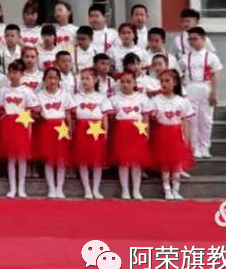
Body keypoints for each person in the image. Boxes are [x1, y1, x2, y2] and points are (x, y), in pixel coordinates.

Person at [150, 70, 195, 200]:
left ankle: (176, 189)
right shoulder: (156, 100)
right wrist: (155, 119)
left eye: (167, 81)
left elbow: (185, 121)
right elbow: (151, 118)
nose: (164, 84)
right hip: (162, 133)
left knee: (176, 165)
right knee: (165, 164)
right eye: (162, 81)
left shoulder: (182, 102)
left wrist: (187, 138)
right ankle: (167, 189)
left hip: (176, 134)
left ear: (174, 83)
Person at [0, 59, 39, 199]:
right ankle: (12, 188)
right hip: (8, 123)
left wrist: (26, 121)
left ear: (22, 74)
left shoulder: (26, 91)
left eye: (16, 72)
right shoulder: (3, 90)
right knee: (11, 158)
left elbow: (31, 107)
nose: (13, 75)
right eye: (11, 72)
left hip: (22, 123)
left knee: (22, 157)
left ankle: (21, 188)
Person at [110, 71, 153, 200]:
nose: (125, 84)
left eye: (128, 82)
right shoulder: (114, 99)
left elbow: (145, 117)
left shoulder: (142, 98)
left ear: (134, 83)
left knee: (136, 163)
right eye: (122, 82)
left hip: (137, 131)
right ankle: (125, 190)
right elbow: (111, 117)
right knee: (124, 162)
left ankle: (136, 190)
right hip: (121, 132)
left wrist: (146, 132)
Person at [180, 26, 222, 159]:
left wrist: (214, 93)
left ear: (203, 40)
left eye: (196, 39)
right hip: (190, 87)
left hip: (206, 87)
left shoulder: (212, 57)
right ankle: (195, 147)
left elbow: (215, 75)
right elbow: (179, 76)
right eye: (190, 39)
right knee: (192, 119)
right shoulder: (184, 58)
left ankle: (205, 147)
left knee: (206, 119)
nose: (193, 41)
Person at [33, 67, 74, 199]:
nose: (52, 81)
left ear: (59, 80)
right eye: (49, 78)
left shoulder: (64, 94)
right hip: (46, 127)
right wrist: (40, 116)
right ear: (44, 79)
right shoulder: (39, 96)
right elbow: (34, 113)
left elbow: (68, 113)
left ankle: (60, 188)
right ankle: (51, 188)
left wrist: (69, 130)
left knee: (61, 159)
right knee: (49, 159)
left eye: (55, 78)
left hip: (61, 127)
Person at [72, 67, 110, 200]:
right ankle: (87, 189)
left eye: (87, 78)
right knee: (83, 160)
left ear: (95, 80)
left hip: (97, 129)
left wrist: (105, 132)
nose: (84, 81)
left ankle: (96, 189)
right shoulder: (76, 98)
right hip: (82, 129)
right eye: (82, 78)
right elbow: (72, 116)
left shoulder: (101, 98)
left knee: (97, 161)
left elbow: (105, 116)